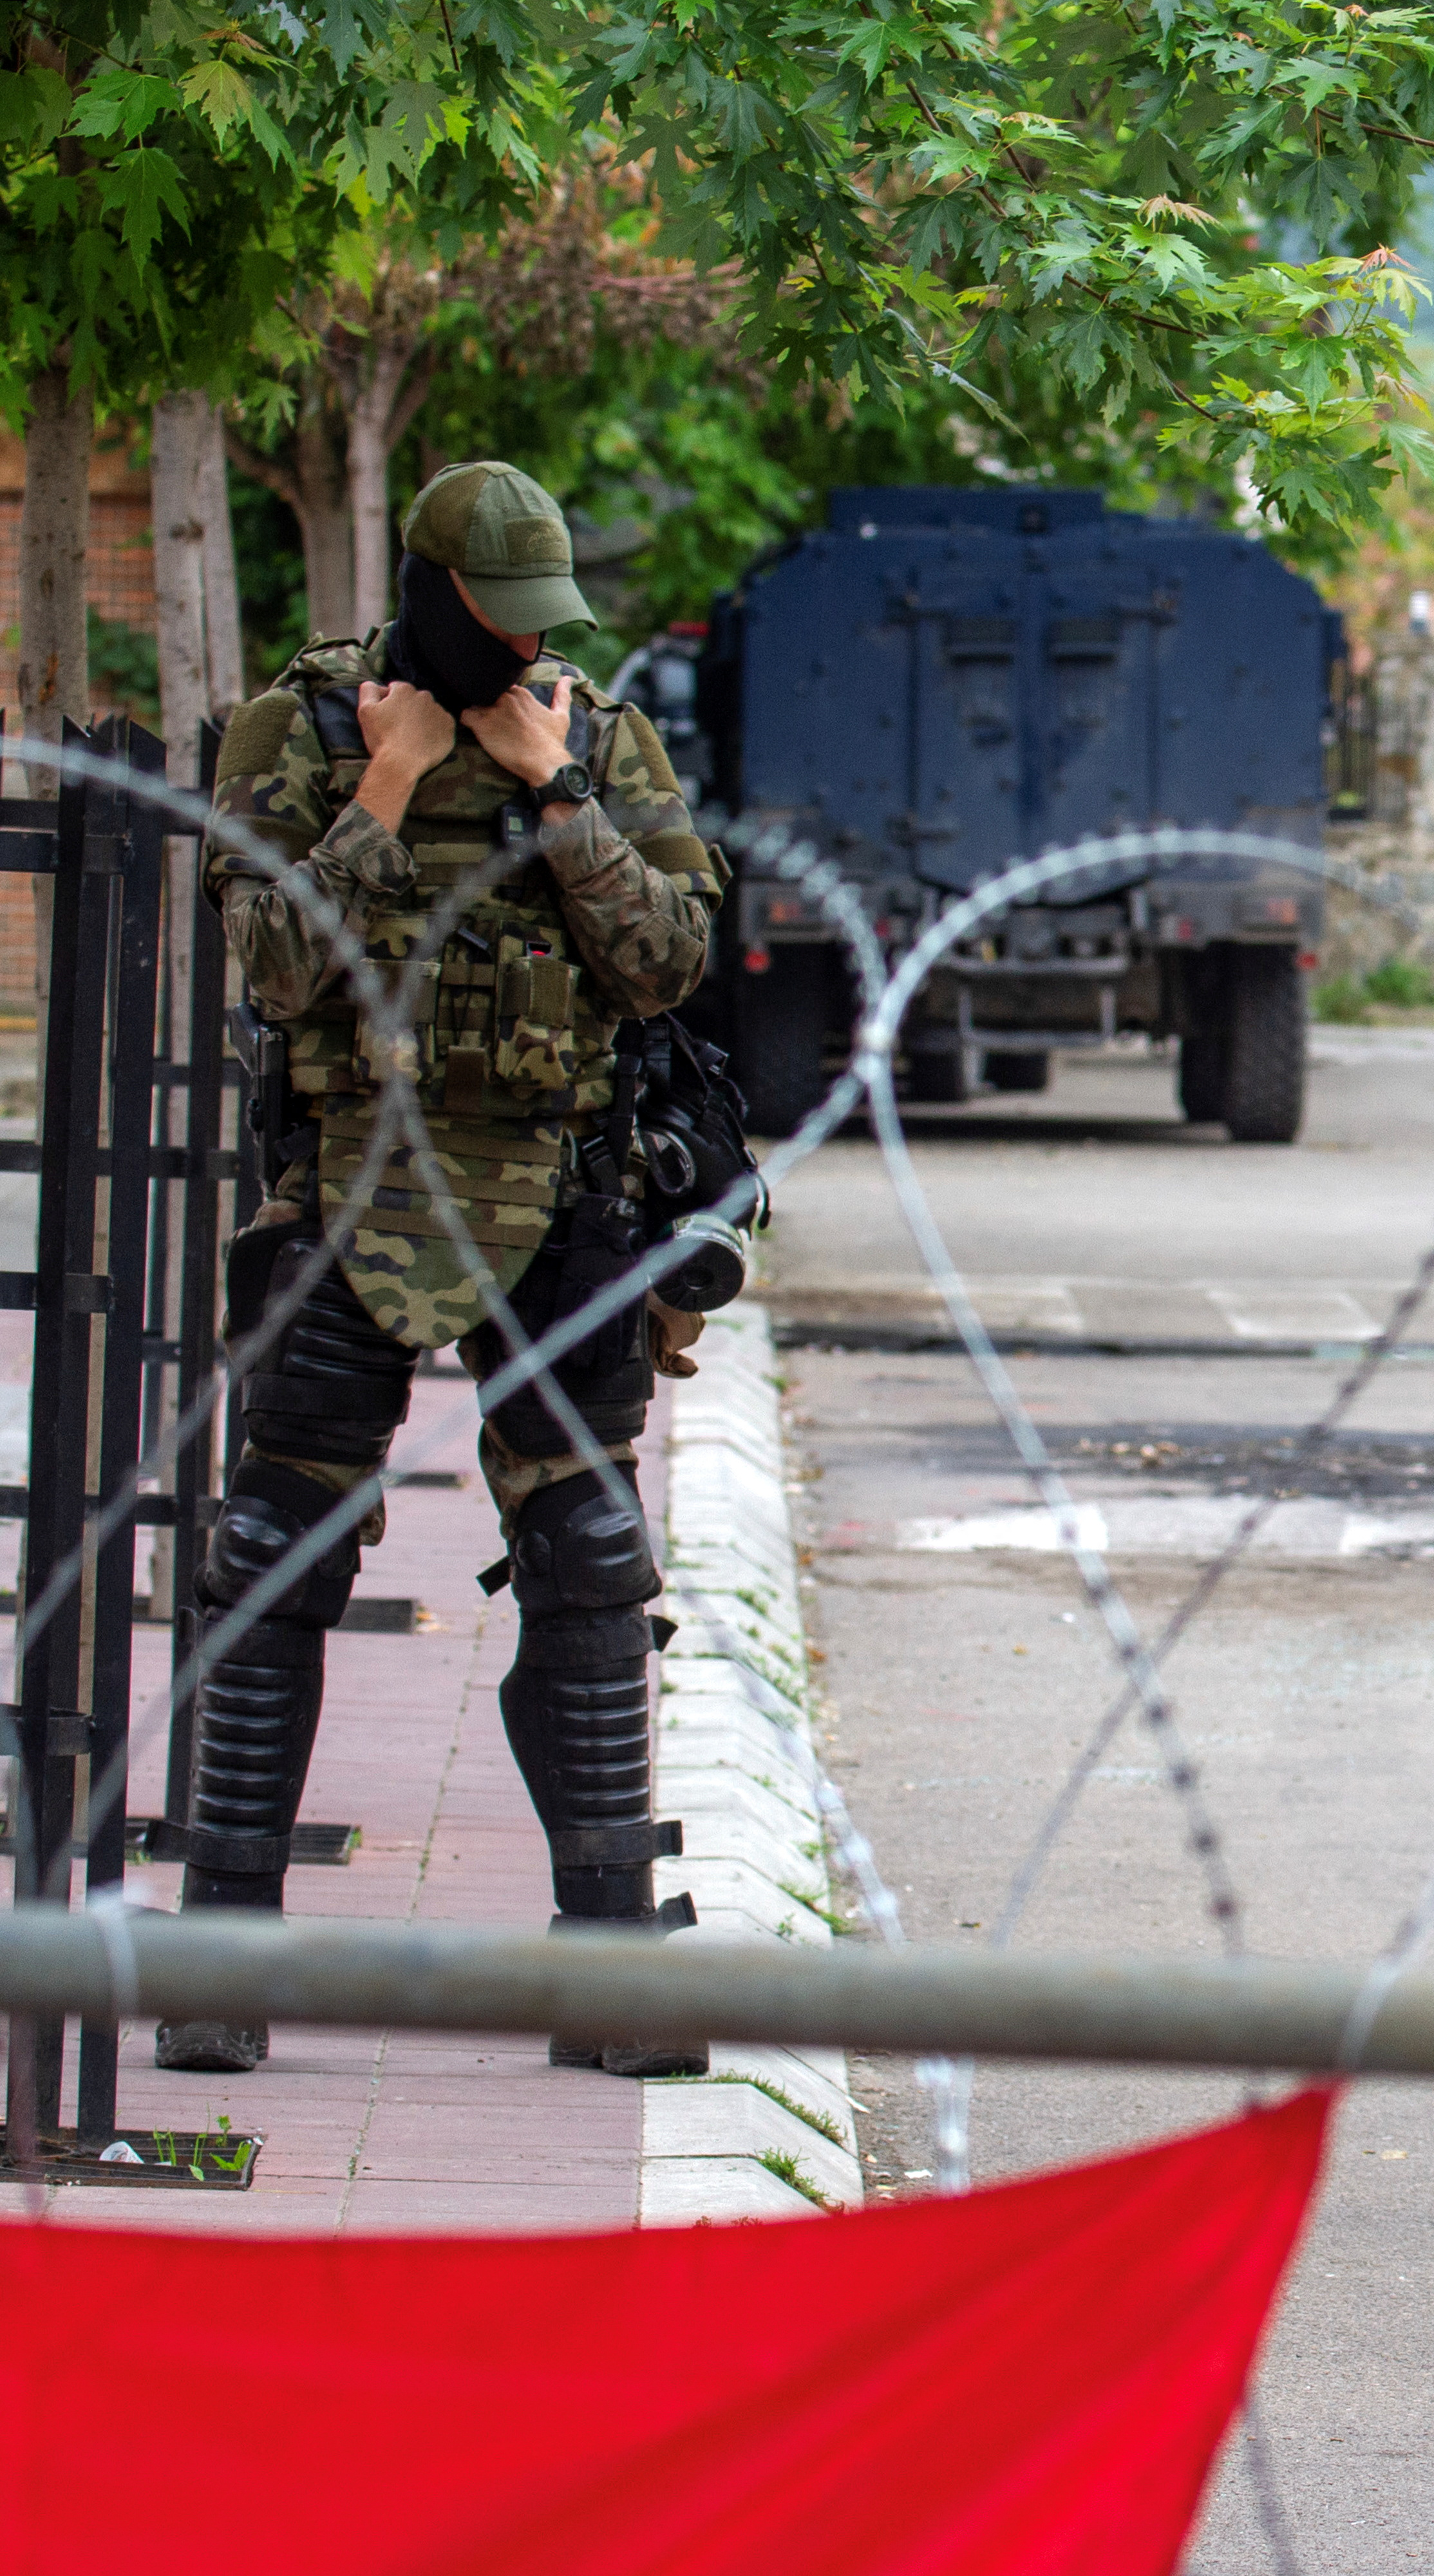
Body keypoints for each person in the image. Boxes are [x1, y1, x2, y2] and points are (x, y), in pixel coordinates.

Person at [171, 461, 730, 2076]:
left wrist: (559, 797)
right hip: (354, 1183)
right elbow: (275, 974)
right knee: (276, 1542)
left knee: (590, 1551)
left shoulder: (598, 735)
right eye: (502, 621)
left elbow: (667, 966)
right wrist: (391, 791)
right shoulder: (307, 728)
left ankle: (614, 1966)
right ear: (431, 597)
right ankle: (223, 1951)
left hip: (561, 1187)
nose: (528, 650)